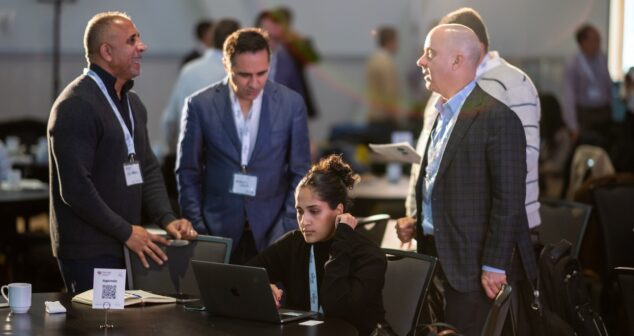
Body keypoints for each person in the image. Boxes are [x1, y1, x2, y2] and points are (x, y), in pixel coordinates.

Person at [395, 24, 537, 336]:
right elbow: (440, 182)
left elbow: (509, 199)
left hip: (474, 270)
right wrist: (418, 220)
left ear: (458, 61)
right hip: (435, 259)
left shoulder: (499, 119)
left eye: (430, 54)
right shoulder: (442, 113)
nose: (421, 61)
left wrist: (495, 265)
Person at [48, 12, 196, 293]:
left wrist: (167, 217)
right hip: (89, 250)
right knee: (101, 327)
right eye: (132, 40)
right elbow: (76, 189)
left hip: (126, 243)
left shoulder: (133, 103)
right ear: (107, 51)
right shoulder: (76, 104)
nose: (142, 46)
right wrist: (126, 231)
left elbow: (148, 168)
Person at [177, 28, 311, 265]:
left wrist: (288, 224)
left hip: (273, 230)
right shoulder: (200, 105)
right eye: (244, 75)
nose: (254, 83)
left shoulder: (291, 104)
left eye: (262, 73)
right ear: (227, 65)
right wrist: (199, 227)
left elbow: (301, 171)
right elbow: (188, 171)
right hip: (216, 228)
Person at [405, 7, 541, 230]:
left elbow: (520, 160)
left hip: (503, 226)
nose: (424, 61)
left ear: (472, 47)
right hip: (449, 227)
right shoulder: (442, 89)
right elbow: (430, 158)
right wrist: (417, 211)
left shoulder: (513, 83)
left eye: (433, 52)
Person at [248, 154, 387, 336]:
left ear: (339, 211)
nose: (304, 221)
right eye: (299, 211)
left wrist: (342, 239)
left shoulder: (369, 256)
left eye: (314, 211)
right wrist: (261, 285)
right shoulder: (294, 242)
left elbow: (336, 308)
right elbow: (245, 273)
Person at [162, 19, 240, 157]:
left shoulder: (189, 70)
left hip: (189, 153)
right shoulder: (239, 74)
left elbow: (170, 119)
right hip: (227, 158)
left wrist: (171, 150)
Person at [562, 24, 613, 149]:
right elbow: (569, 96)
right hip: (585, 115)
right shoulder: (573, 64)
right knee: (587, 149)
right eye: (595, 39)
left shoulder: (602, 59)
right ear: (583, 42)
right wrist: (573, 126)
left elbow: (608, 86)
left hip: (603, 112)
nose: (598, 43)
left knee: (605, 148)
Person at [366, 26, 401, 124]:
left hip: (373, 114)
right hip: (384, 118)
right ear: (390, 42)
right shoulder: (386, 62)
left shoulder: (373, 59)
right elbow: (390, 92)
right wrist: (396, 117)